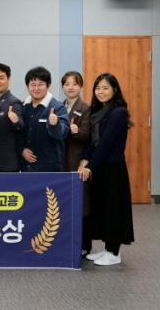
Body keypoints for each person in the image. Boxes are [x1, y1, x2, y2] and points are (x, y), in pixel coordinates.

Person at [78, 73, 134, 266]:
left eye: (105, 88)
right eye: (98, 88)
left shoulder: (118, 112)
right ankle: (107, 248)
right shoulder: (98, 111)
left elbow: (106, 144)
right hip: (100, 167)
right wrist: (85, 160)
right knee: (102, 209)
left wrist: (90, 167)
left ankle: (114, 252)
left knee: (113, 210)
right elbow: (92, 142)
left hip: (113, 168)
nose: (100, 92)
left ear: (115, 90)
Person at [61, 71, 92, 255]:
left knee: (82, 203)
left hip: (78, 162)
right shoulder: (58, 106)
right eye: (67, 84)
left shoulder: (86, 107)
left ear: (80, 86)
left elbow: (88, 136)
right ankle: (66, 242)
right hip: (61, 163)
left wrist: (76, 131)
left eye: (74, 84)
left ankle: (84, 245)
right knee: (64, 203)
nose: (70, 87)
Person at [20, 66, 69, 172]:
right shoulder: (23, 106)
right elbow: (18, 133)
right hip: (26, 168)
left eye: (41, 84)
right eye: (33, 85)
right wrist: (22, 149)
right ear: (27, 86)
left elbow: (63, 133)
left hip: (50, 169)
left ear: (48, 85)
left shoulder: (57, 107)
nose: (36, 88)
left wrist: (55, 124)